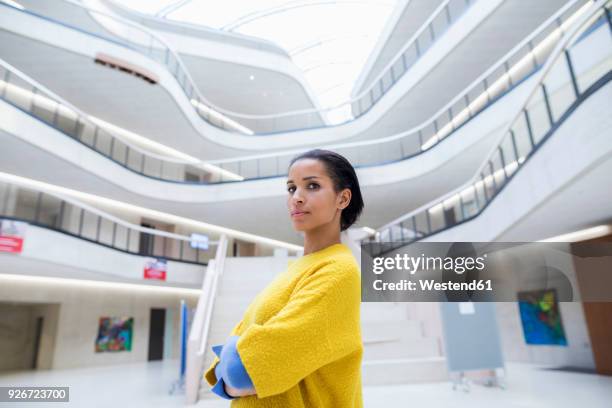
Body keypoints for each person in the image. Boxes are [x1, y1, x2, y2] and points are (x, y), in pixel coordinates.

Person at [204, 149, 365, 407]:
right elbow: (226, 364)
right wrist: (237, 356)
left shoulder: (338, 270)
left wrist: (238, 354)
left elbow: (239, 371)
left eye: (312, 186)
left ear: (343, 198)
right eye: (291, 188)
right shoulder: (297, 269)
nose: (297, 198)